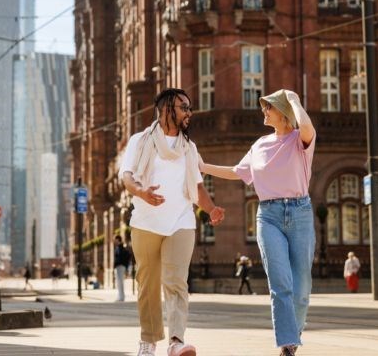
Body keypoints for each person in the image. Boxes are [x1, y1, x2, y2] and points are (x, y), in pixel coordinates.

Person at [200, 89, 316, 356]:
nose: (264, 111)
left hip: (300, 213)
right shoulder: (260, 145)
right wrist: (203, 167)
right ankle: (288, 346)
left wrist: (295, 100)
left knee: (302, 289)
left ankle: (294, 334)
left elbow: (306, 125)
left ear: (284, 113)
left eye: (269, 107)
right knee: (280, 284)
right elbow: (237, 171)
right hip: (268, 216)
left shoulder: (301, 140)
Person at [120, 88, 225, 356]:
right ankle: (148, 340)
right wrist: (142, 192)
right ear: (166, 109)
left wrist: (211, 209)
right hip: (145, 222)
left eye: (189, 108)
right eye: (184, 107)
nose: (189, 112)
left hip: (181, 222)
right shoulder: (140, 141)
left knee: (177, 281)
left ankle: (176, 340)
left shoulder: (189, 148)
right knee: (148, 283)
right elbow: (127, 177)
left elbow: (198, 187)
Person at [114, 235, 130, 301]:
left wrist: (124, 265)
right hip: (118, 266)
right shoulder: (118, 247)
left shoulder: (121, 248)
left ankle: (121, 297)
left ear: (118, 240)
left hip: (121, 266)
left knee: (120, 282)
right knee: (118, 282)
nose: (114, 241)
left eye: (115, 240)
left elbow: (123, 257)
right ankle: (120, 296)